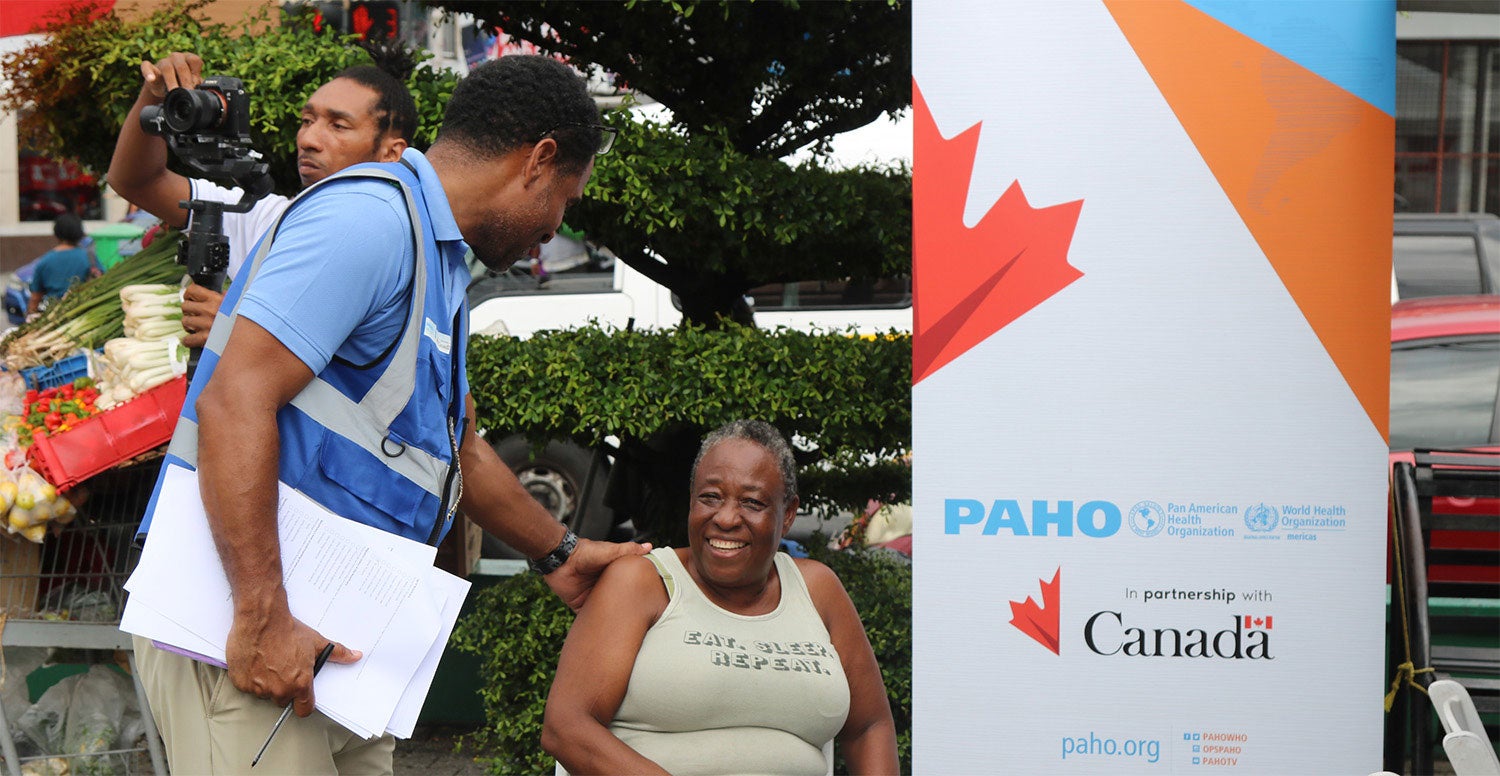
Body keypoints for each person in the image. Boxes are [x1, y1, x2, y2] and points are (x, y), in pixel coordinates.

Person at [130, 55, 641, 774]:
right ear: (539, 160)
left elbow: (451, 449)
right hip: (249, 640)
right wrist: (261, 615)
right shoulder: (368, 220)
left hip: (334, 652)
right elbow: (235, 399)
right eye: (566, 198)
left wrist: (557, 552)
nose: (554, 225)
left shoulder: (436, 259)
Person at [542, 419, 899, 775]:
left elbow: (869, 728)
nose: (726, 518)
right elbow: (567, 728)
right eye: (710, 497)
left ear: (787, 514)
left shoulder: (818, 589)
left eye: (752, 502)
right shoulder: (642, 581)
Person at [107, 51, 416, 347]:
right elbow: (138, 181)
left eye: (338, 126)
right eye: (307, 120)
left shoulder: (402, 251)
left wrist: (239, 331)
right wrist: (157, 95)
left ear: (391, 153)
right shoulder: (267, 218)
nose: (308, 140)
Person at [27, 213, 91, 316]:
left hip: (53, 315)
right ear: (80, 232)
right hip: (83, 313)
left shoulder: (45, 261)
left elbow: (35, 297)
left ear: (56, 232)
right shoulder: (89, 257)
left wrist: (31, 316)